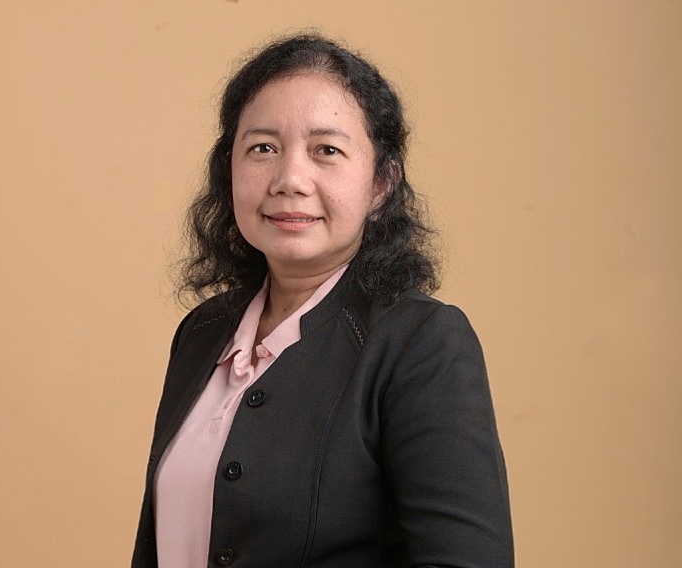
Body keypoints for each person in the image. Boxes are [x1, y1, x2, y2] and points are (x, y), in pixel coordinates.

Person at [132, 34, 513, 567]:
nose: (290, 179)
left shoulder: (423, 343)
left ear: (381, 184)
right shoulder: (203, 331)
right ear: (228, 170)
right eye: (262, 148)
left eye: (326, 150)